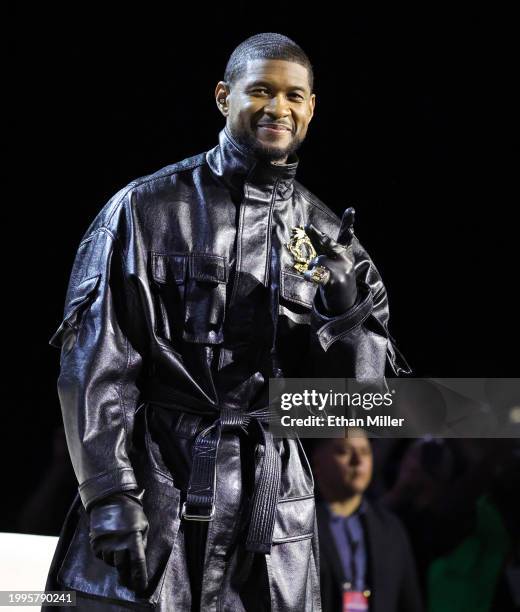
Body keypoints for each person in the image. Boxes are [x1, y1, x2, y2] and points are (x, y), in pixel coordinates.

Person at [43, 32, 410, 611]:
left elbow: (357, 408)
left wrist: (345, 311)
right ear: (224, 97)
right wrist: (109, 489)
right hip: (157, 483)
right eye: (261, 90)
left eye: (294, 96)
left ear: (312, 107)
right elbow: (97, 360)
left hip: (271, 509)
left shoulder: (333, 240)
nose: (278, 108)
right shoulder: (146, 209)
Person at [311, 429, 423, 612]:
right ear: (317, 461)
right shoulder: (299, 525)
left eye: (365, 451)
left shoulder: (391, 529)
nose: (358, 461)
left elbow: (409, 602)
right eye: (344, 451)